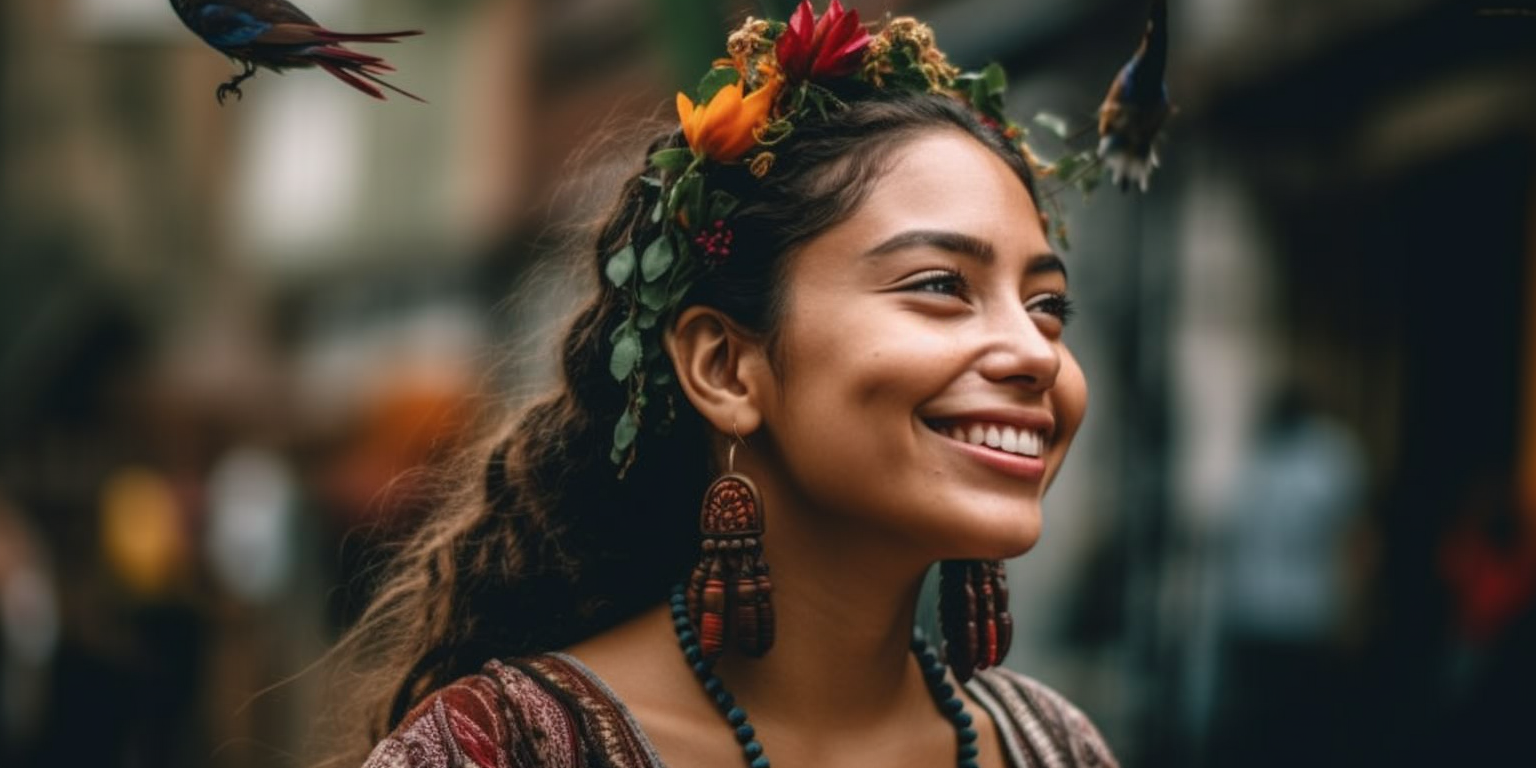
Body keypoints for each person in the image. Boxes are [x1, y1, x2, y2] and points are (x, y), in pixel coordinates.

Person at [332, 3, 1119, 766]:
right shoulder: (503, 750)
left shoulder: (1054, 749)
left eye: (1048, 305)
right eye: (941, 285)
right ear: (723, 367)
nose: (1037, 353)